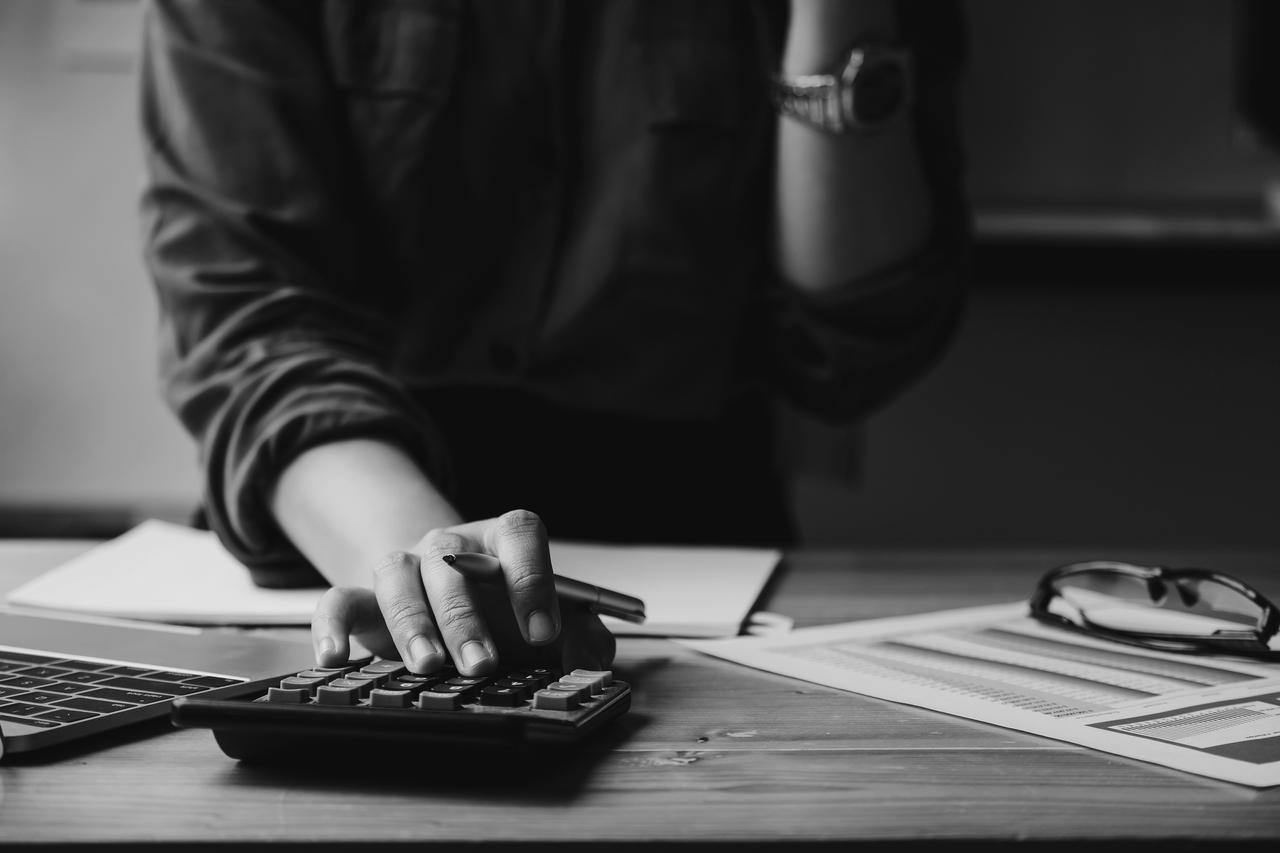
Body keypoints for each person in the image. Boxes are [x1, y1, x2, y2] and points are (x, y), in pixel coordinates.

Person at [139, 0, 968, 677]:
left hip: (698, 528)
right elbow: (245, 310)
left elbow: (852, 341)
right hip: (343, 514)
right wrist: (428, 561)